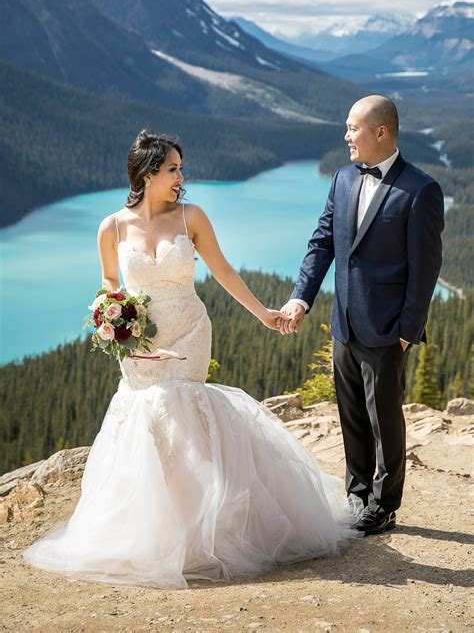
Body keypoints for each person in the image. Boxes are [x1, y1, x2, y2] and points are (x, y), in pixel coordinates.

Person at [24, 129, 357, 589]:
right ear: (147, 175)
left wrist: (263, 314)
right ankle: (157, 535)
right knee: (149, 421)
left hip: (190, 332)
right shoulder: (112, 227)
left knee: (185, 416)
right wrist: (123, 332)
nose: (182, 176)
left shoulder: (192, 217)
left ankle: (206, 536)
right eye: (173, 169)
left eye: (181, 167)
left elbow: (221, 270)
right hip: (140, 342)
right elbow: (108, 287)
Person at [279, 95, 444, 535]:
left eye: (353, 128)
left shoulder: (421, 190)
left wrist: (406, 332)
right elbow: (322, 244)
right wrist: (301, 297)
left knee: (384, 418)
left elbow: (425, 270)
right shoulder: (343, 179)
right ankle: (357, 495)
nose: (346, 136)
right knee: (351, 415)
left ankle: (385, 505)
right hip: (344, 325)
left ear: (381, 133)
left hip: (388, 330)